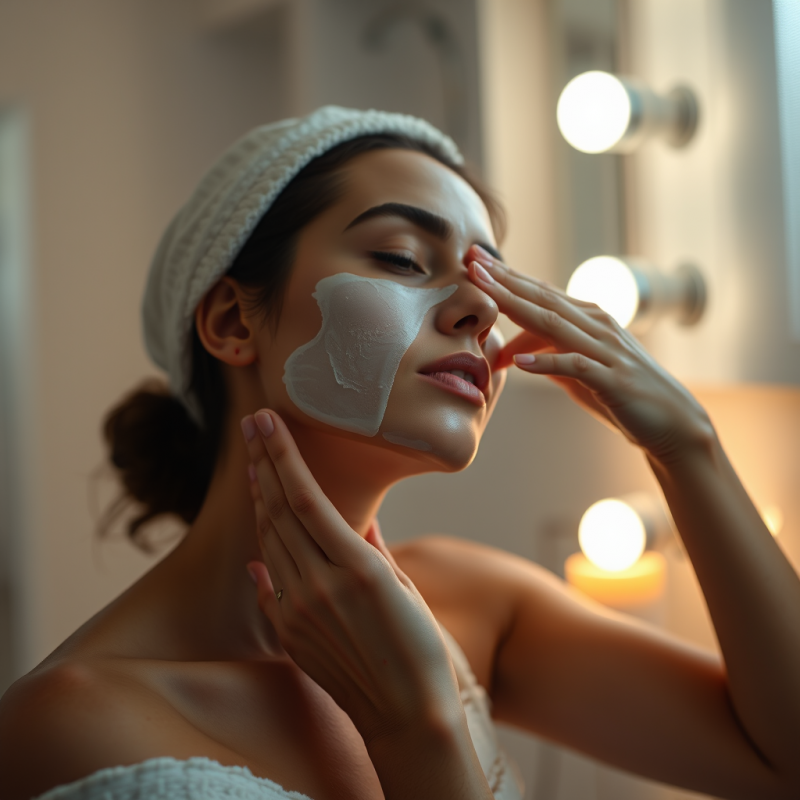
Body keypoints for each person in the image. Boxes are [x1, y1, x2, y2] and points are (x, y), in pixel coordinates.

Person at [0, 106, 798, 800]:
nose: (481, 308)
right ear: (233, 324)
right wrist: (416, 730)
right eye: (403, 259)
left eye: (494, 278)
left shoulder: (469, 604)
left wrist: (688, 447)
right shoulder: (74, 725)